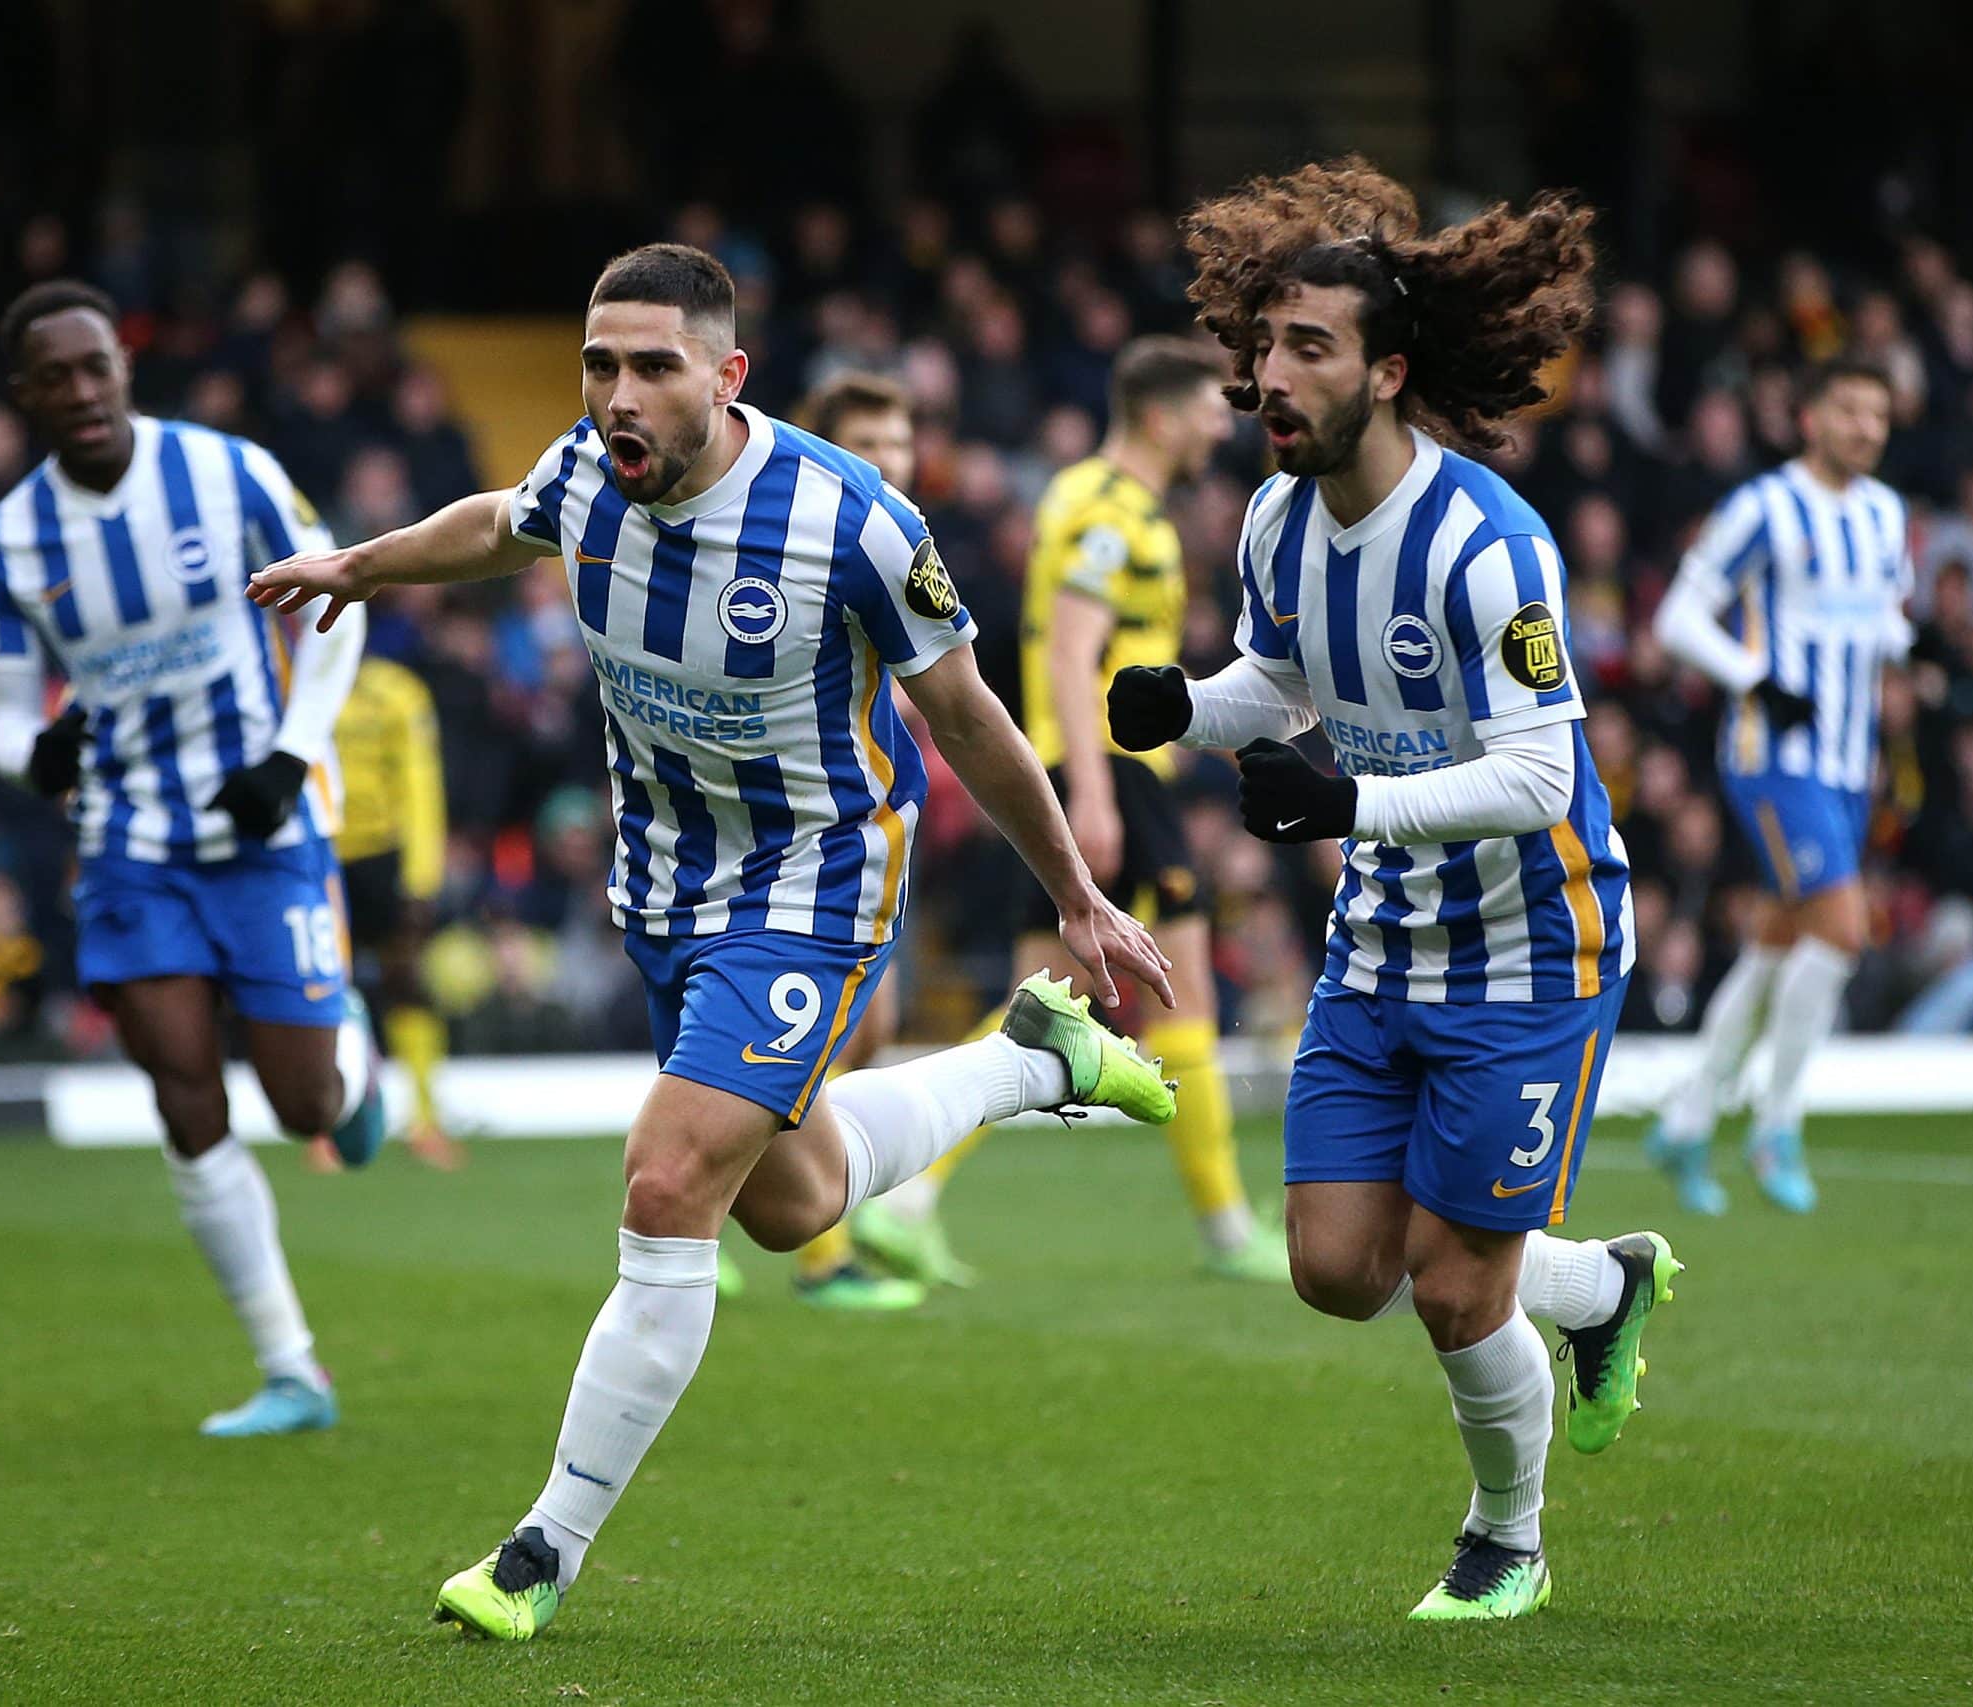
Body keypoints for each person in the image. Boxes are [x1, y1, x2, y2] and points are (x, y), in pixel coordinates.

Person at [249, 243, 1178, 1642]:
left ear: (727, 375)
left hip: (815, 871)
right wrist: (362, 568)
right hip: (668, 883)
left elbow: (970, 713)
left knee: (669, 1173)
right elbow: (505, 518)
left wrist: (1077, 888)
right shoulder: (586, 471)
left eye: (651, 367)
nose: (616, 394)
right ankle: (1031, 1060)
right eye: (598, 365)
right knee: (790, 1199)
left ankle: (540, 1548)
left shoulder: (850, 522)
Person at [1106, 160, 1677, 1620]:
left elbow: (1541, 778)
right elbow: (1283, 678)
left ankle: (1508, 1537)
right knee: (1337, 1267)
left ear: (1391, 371)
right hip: (1382, 946)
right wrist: (1191, 704)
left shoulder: (1494, 547)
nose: (1271, 373)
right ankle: (1599, 1288)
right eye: (1266, 342)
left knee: (1449, 1285)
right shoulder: (1276, 522)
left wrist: (1350, 800)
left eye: (1311, 346)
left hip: (1529, 954)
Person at [0, 280, 384, 1440]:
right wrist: (35, 756)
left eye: (97, 365)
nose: (84, 390)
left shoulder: (228, 474)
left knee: (306, 1107)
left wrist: (293, 757)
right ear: (26, 395)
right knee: (184, 1090)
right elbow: (5, 718)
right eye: (57, 375)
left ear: (122, 368)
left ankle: (351, 1067)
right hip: (131, 847)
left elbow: (336, 603)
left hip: (262, 826)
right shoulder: (6, 544)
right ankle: (291, 1368)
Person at [872, 337, 1293, 1291]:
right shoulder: (1112, 510)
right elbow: (1068, 651)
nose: (1215, 426)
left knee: (1036, 1003)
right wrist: (1095, 795)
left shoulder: (1090, 496)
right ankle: (1227, 1228)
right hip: (1109, 771)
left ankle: (904, 1197)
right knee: (1185, 985)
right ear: (1157, 414)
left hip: (1090, 766)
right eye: (1201, 409)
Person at [1646, 359, 1913, 1214]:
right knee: (1842, 930)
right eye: (1849, 409)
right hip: (1772, 754)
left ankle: (1687, 1119)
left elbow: (1879, 620)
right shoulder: (1764, 507)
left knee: (1774, 946)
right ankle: (1777, 1125)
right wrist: (1754, 678)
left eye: (1879, 414)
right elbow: (1678, 618)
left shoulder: (1883, 514)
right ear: (1810, 418)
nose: (1867, 428)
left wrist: (1923, 649)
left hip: (1845, 762)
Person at [772, 370, 932, 1312]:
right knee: (812, 1040)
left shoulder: (899, 545)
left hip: (878, 828)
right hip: (802, 839)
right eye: (869, 446)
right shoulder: (807, 536)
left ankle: (754, 1215)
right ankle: (817, 1256)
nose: (891, 463)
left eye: (903, 444)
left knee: (868, 1031)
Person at [328, 653, 459, 1167]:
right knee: (324, 991)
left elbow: (420, 784)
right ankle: (329, 1125)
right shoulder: (294, 684)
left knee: (406, 983)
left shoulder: (397, 692)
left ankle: (425, 1120)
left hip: (384, 859)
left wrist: (421, 877)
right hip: (323, 855)